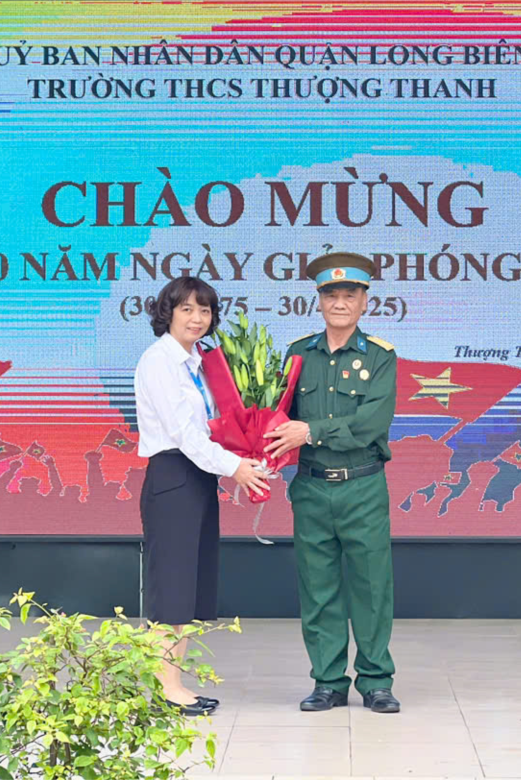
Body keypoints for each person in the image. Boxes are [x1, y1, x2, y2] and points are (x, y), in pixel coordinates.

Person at [263, 252, 401, 715]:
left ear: (365, 302)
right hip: (312, 486)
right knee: (318, 588)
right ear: (319, 301)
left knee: (371, 587)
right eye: (331, 295)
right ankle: (328, 682)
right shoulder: (297, 354)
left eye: (349, 295)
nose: (340, 303)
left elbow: (371, 423)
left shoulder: (380, 356)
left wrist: (311, 431)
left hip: (363, 486)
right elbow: (277, 417)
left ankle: (376, 682)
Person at [134, 276, 271, 716]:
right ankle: (165, 690)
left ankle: (172, 682)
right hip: (174, 476)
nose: (197, 318)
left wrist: (248, 452)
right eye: (187, 309)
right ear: (168, 312)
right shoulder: (159, 361)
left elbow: (214, 427)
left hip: (198, 478)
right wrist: (236, 468)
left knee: (188, 591)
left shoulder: (200, 363)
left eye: (205, 310)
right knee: (171, 589)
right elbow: (184, 434)